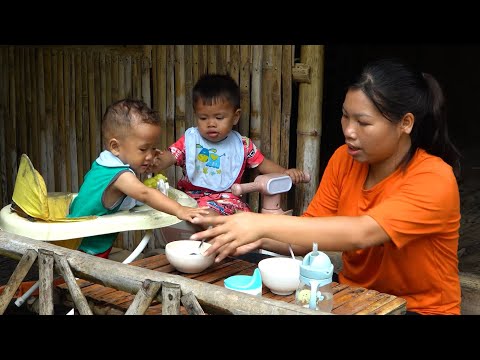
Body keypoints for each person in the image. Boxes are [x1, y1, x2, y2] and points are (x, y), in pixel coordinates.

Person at [191, 59, 462, 315]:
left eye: (363, 122)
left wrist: (259, 224)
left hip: (416, 309)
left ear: (405, 123)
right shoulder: (345, 159)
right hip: (352, 297)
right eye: (345, 116)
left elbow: (362, 232)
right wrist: (245, 236)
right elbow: (310, 234)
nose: (349, 131)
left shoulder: (434, 178)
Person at [67, 99, 210, 258]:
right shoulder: (119, 176)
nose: (150, 156)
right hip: (84, 247)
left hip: (81, 240)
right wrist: (179, 210)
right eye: (143, 149)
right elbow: (145, 194)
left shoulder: (104, 164)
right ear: (115, 147)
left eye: (153, 148)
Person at [149, 73, 307, 216]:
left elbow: (262, 164)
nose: (211, 123)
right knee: (206, 216)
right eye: (203, 118)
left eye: (219, 118)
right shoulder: (189, 141)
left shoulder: (243, 145)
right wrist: (154, 161)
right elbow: (169, 156)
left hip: (230, 202)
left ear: (235, 116)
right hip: (193, 203)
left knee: (248, 221)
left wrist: (286, 173)